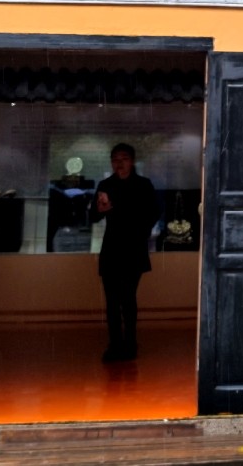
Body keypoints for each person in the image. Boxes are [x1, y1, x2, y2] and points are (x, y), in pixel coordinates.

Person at [93, 142, 158, 362]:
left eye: (124, 159)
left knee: (128, 297)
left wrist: (142, 231)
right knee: (112, 300)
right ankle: (115, 344)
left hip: (133, 247)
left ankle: (130, 343)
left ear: (132, 161)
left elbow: (153, 212)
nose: (119, 164)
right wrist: (100, 209)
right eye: (115, 160)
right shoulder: (106, 184)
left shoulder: (143, 185)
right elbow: (93, 216)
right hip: (112, 247)